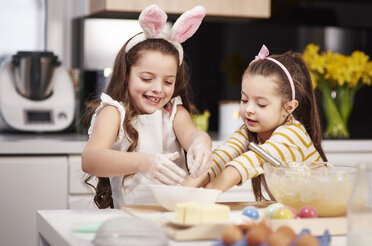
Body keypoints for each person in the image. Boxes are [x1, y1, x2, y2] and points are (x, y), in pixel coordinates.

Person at [82, 4, 212, 209]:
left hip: (173, 217)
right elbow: (91, 159)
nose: (158, 89)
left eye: (168, 82)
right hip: (128, 220)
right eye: (146, 78)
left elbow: (193, 136)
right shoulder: (114, 113)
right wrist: (144, 163)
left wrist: (202, 141)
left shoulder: (174, 113)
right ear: (126, 75)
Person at [183, 45, 327, 200]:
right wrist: (182, 191)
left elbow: (248, 162)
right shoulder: (249, 132)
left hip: (324, 211)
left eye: (261, 104)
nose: (249, 109)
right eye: (244, 100)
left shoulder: (292, 134)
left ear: (288, 107)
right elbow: (221, 157)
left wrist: (204, 195)